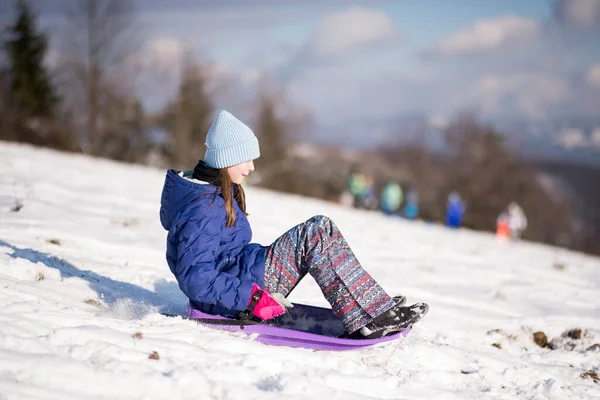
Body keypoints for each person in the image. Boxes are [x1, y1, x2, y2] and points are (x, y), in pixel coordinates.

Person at [159, 110, 429, 339]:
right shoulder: (202, 208)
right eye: (246, 159)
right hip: (234, 297)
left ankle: (369, 306)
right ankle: (370, 314)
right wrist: (253, 300)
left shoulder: (216, 192)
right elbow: (196, 276)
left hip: (242, 277)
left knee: (320, 229)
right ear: (226, 159)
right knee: (316, 233)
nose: (252, 167)